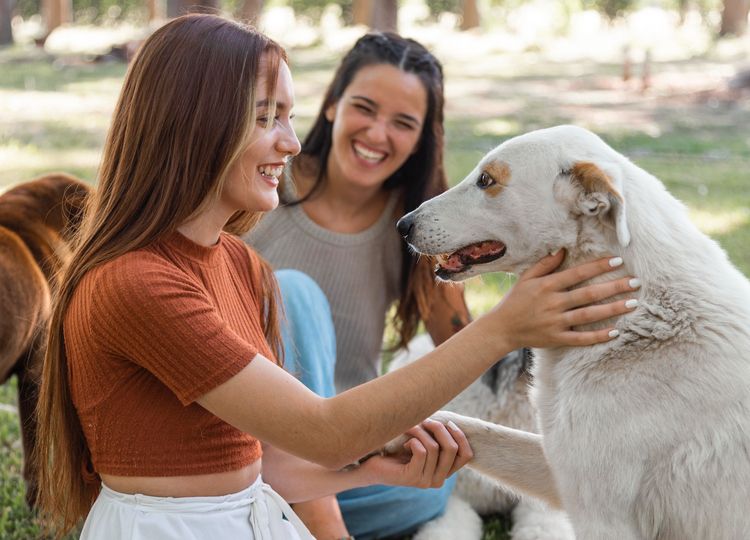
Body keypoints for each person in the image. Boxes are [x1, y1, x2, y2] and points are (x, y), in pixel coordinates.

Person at [32, 14, 638, 540]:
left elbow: (263, 464)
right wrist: (506, 328)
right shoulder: (137, 285)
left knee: (427, 487)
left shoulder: (238, 263)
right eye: (267, 117)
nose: (291, 143)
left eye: (288, 117)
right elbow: (321, 433)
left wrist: (373, 468)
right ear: (195, 125)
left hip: (251, 507)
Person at [242, 32, 510, 538]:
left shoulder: (414, 228)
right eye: (365, 108)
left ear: (421, 139)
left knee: (430, 484)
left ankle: (278, 514)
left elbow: (464, 350)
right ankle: (320, 526)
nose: (378, 133)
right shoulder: (266, 178)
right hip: (246, 435)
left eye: (403, 123)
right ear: (332, 106)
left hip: (343, 456)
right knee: (293, 292)